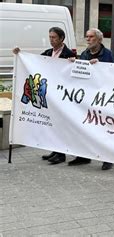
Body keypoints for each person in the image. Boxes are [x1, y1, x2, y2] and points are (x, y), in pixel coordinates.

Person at [13, 27, 76, 165]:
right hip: (49, 94)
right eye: (50, 37)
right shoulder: (48, 52)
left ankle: (61, 154)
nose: (51, 40)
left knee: (60, 125)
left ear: (61, 39)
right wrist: (20, 54)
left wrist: (73, 62)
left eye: (54, 37)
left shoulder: (68, 54)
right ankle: (54, 150)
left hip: (61, 95)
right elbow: (33, 61)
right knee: (52, 124)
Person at [67, 28, 114, 170]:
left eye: (91, 37)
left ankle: (107, 158)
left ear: (99, 39)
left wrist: (99, 66)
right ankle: (83, 156)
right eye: (87, 37)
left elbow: (113, 74)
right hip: (86, 97)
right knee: (85, 127)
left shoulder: (107, 55)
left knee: (104, 129)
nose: (88, 39)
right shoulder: (85, 54)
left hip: (102, 97)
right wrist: (73, 63)